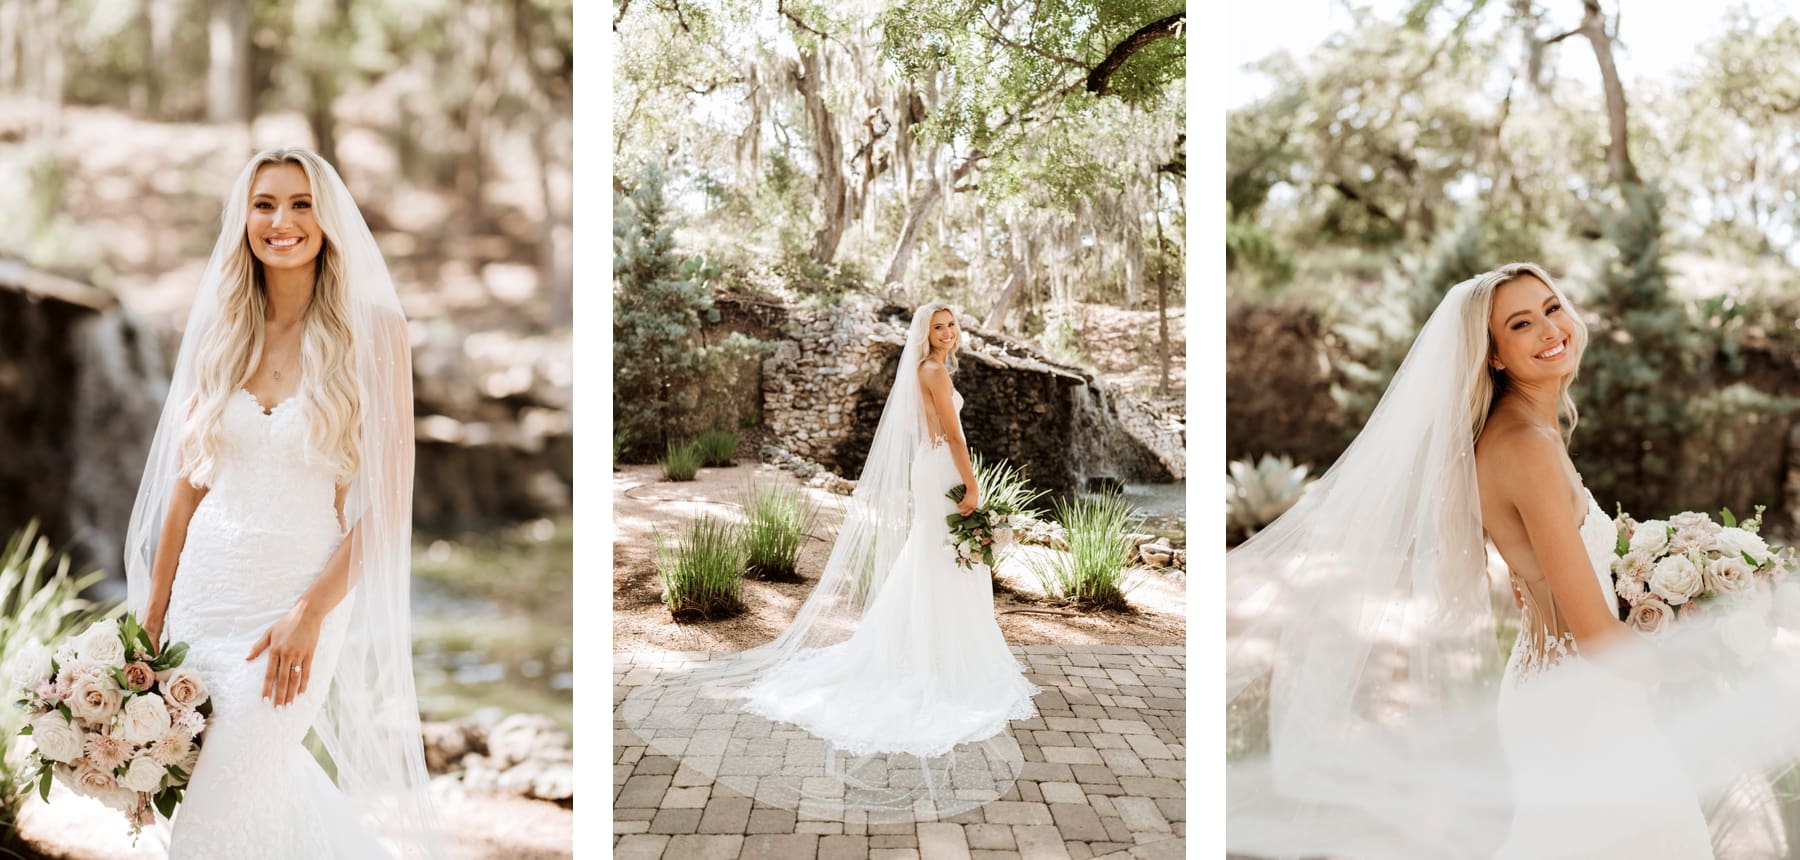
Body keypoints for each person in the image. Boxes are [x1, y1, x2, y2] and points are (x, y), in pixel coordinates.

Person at [1222, 263, 1800, 859]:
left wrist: (1664, 583)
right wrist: (1706, 660)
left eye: (1551, 308)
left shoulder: (1525, 431)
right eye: (1521, 324)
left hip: (1564, 692)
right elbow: (1598, 638)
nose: (1550, 329)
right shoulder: (1525, 446)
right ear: (1494, 356)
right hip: (1583, 708)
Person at [124, 149, 441, 858]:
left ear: (327, 219)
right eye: (265, 204)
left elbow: (389, 504)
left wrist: (310, 611)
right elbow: (186, 485)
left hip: (298, 601)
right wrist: (152, 611)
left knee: (213, 814)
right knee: (249, 792)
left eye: (300, 204)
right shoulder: (219, 328)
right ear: (245, 217)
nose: (281, 221)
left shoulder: (376, 330)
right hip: (203, 600)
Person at [620, 303, 1040, 822]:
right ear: (924, 334)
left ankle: (932, 645)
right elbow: (953, 436)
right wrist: (973, 484)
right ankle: (938, 657)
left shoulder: (926, 369)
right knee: (947, 560)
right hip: (944, 472)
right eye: (939, 326)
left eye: (952, 325)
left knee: (937, 558)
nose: (949, 333)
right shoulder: (931, 371)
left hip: (929, 470)